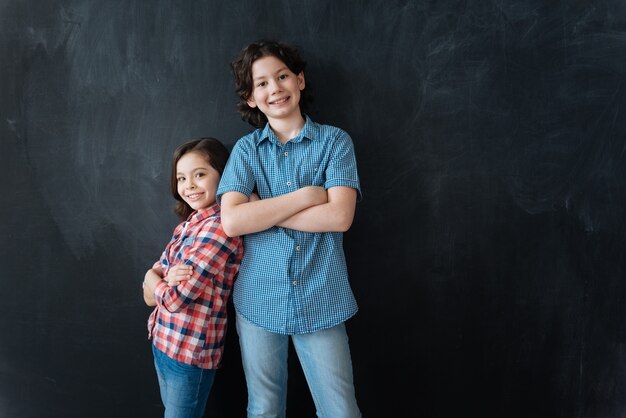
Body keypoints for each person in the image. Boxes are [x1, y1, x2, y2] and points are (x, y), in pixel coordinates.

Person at [217, 40, 362, 418]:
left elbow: (339, 218)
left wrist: (260, 210)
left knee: (340, 410)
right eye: (261, 83)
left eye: (282, 76)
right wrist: (306, 197)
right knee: (264, 409)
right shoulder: (246, 151)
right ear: (251, 98)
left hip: (322, 295)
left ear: (299, 80)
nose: (274, 88)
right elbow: (232, 221)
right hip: (258, 298)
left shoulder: (335, 142)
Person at [143, 138, 244, 418]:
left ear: (223, 174)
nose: (189, 186)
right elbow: (149, 295)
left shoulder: (220, 228)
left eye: (200, 174)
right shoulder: (189, 224)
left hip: (189, 354)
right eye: (181, 178)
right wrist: (155, 280)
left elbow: (173, 299)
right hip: (163, 340)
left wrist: (153, 278)